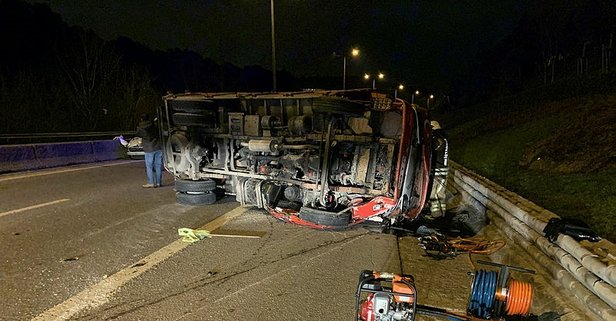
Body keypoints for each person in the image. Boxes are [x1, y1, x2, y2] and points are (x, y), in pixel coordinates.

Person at [136, 113, 163, 188]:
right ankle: (158, 182)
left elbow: (138, 135)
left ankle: (150, 182)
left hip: (149, 148)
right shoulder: (154, 125)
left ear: (141, 119)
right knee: (158, 165)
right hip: (158, 146)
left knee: (149, 166)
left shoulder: (140, 127)